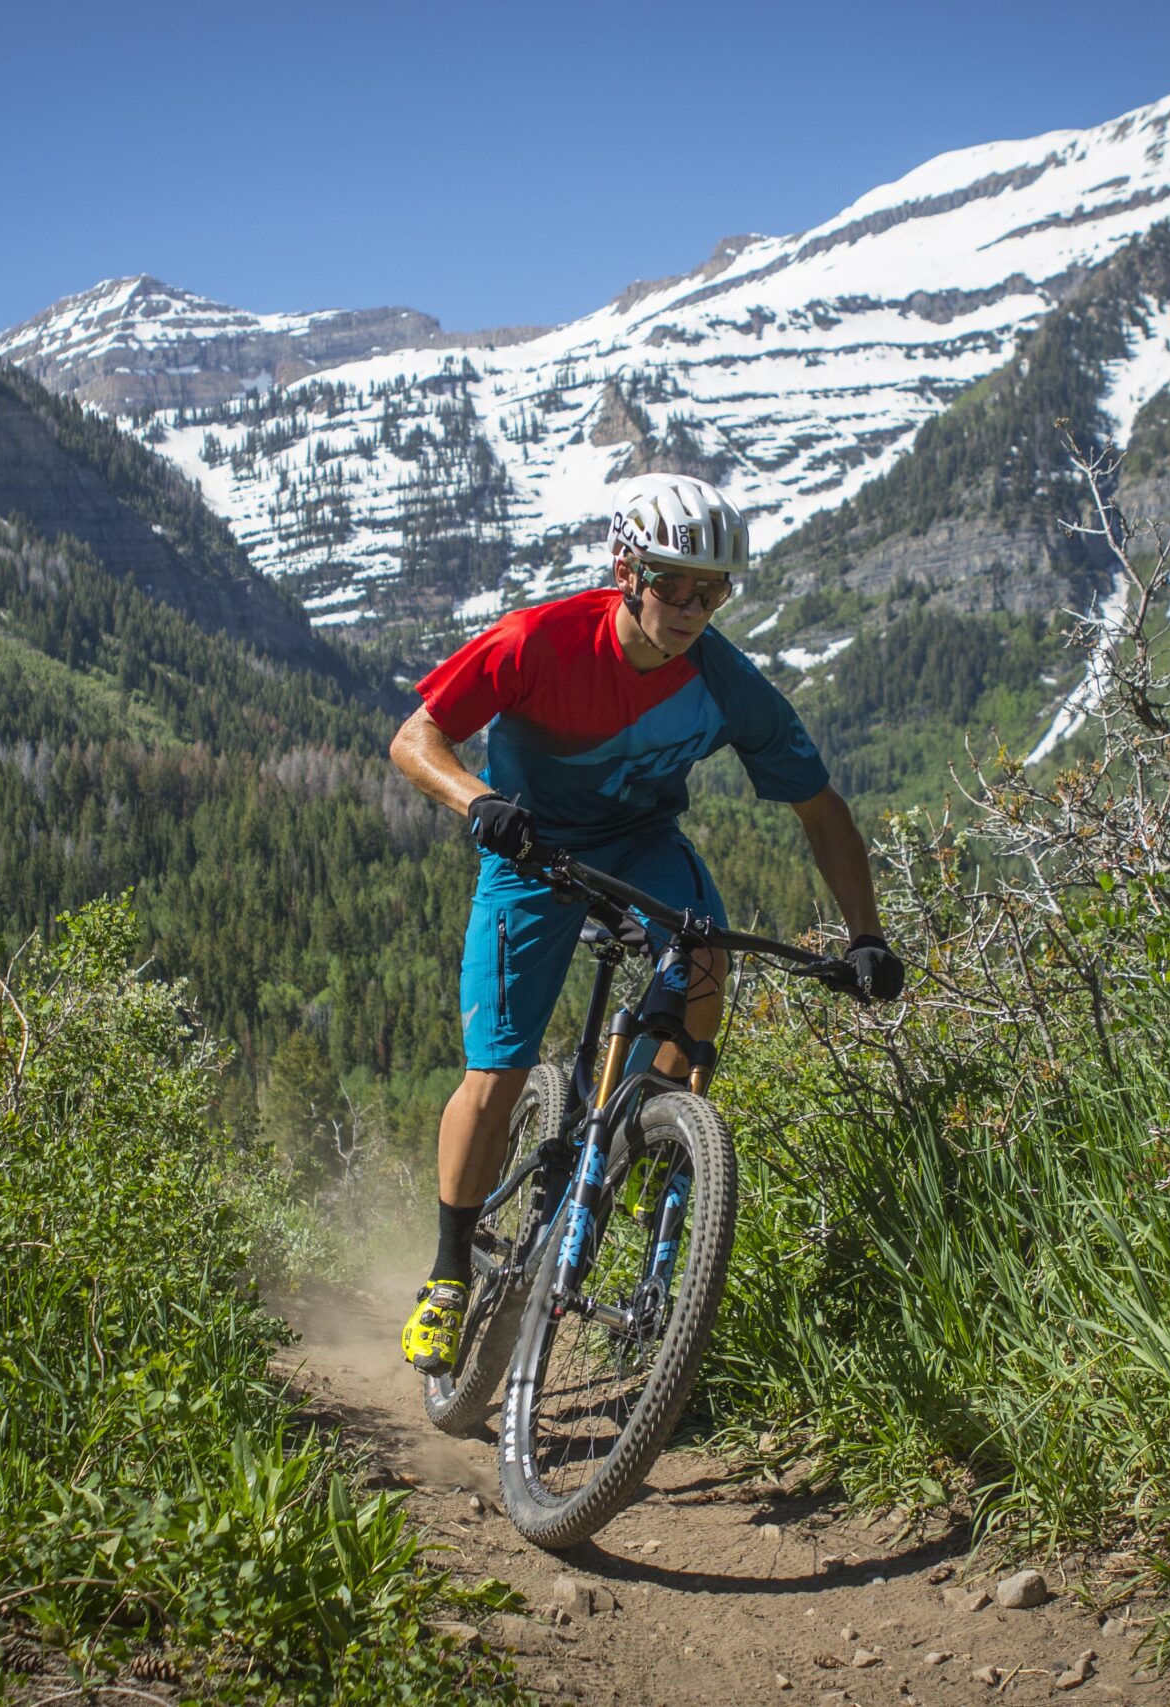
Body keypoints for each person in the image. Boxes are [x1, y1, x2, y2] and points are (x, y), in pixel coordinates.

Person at [387, 471, 905, 1375]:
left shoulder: (724, 682)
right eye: (674, 583)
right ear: (626, 569)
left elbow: (821, 810)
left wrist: (866, 935)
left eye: (714, 591)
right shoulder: (538, 642)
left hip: (641, 846)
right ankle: (445, 1274)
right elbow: (414, 740)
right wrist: (480, 804)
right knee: (496, 1073)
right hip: (531, 854)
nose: (693, 607)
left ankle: (651, 1135)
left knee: (705, 951)